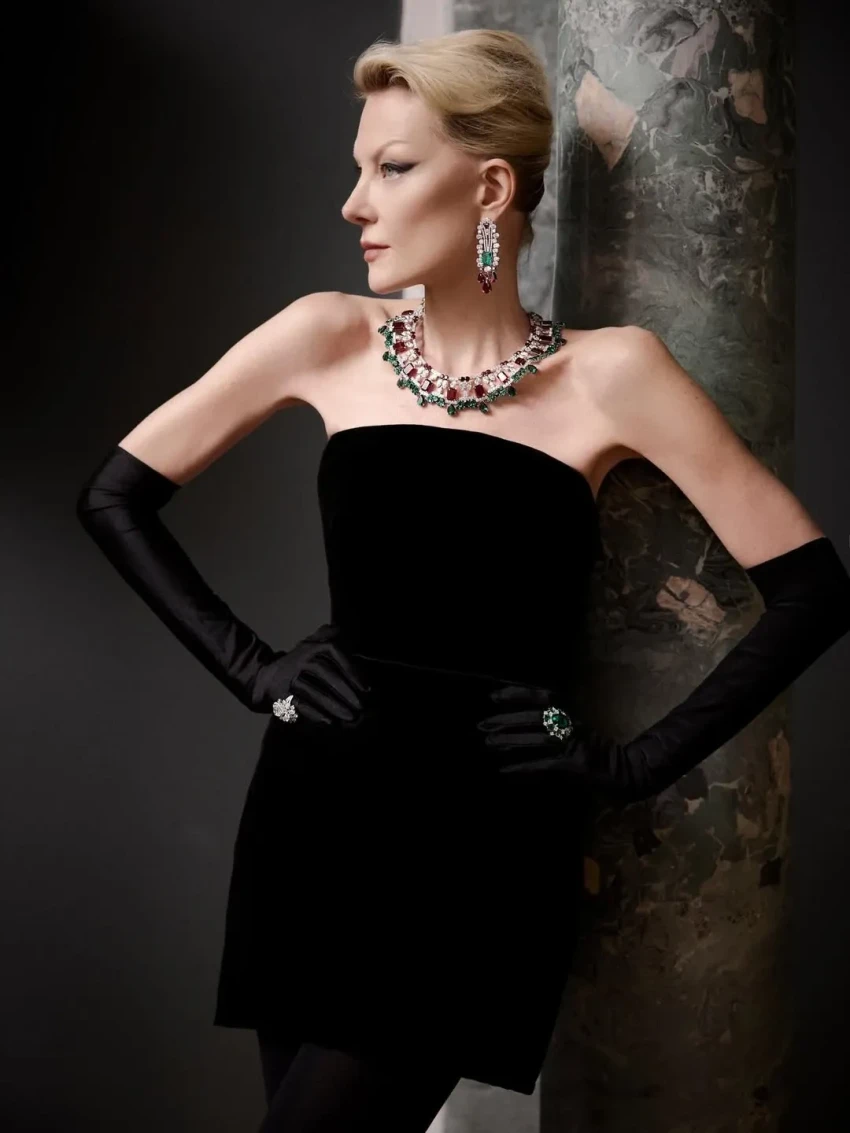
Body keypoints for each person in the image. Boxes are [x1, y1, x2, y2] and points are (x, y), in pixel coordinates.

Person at [75, 27, 850, 1133]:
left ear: (489, 189)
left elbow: (816, 588)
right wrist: (256, 670)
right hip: (315, 818)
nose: (354, 203)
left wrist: (629, 763)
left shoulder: (613, 374)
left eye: (391, 168)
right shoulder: (327, 337)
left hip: (479, 853)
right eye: (359, 168)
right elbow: (114, 496)